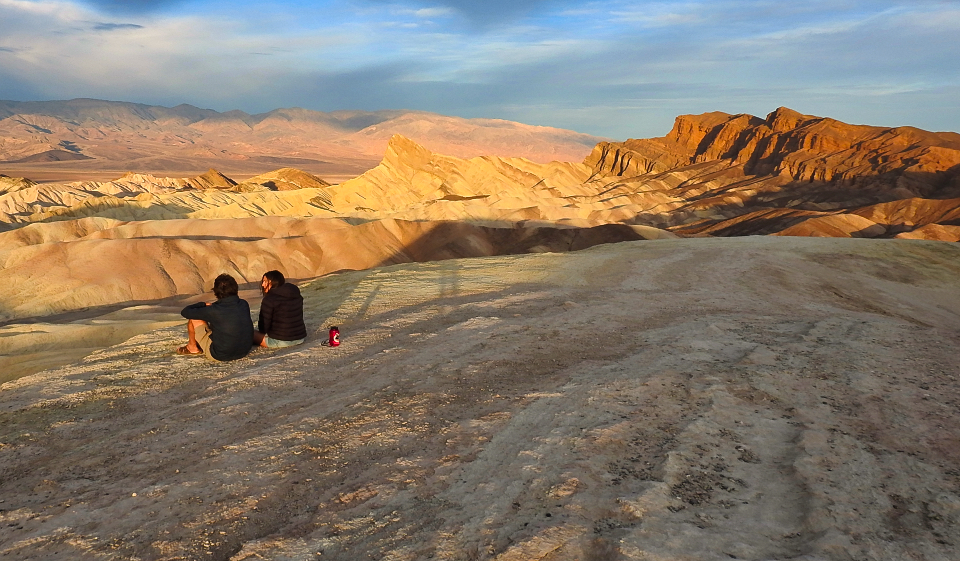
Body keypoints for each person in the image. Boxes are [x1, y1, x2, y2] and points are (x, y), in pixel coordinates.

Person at [178, 273, 254, 361]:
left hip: (220, 355)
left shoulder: (214, 310)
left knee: (194, 318)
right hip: (243, 351)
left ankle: (192, 348)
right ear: (235, 288)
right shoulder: (244, 304)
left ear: (216, 292)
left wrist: (203, 304)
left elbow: (185, 312)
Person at [253, 270, 307, 348]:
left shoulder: (269, 299)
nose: (263, 284)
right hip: (300, 338)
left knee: (250, 334)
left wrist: (263, 334)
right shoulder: (295, 294)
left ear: (272, 282)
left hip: (281, 341)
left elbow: (264, 326)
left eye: (265, 281)